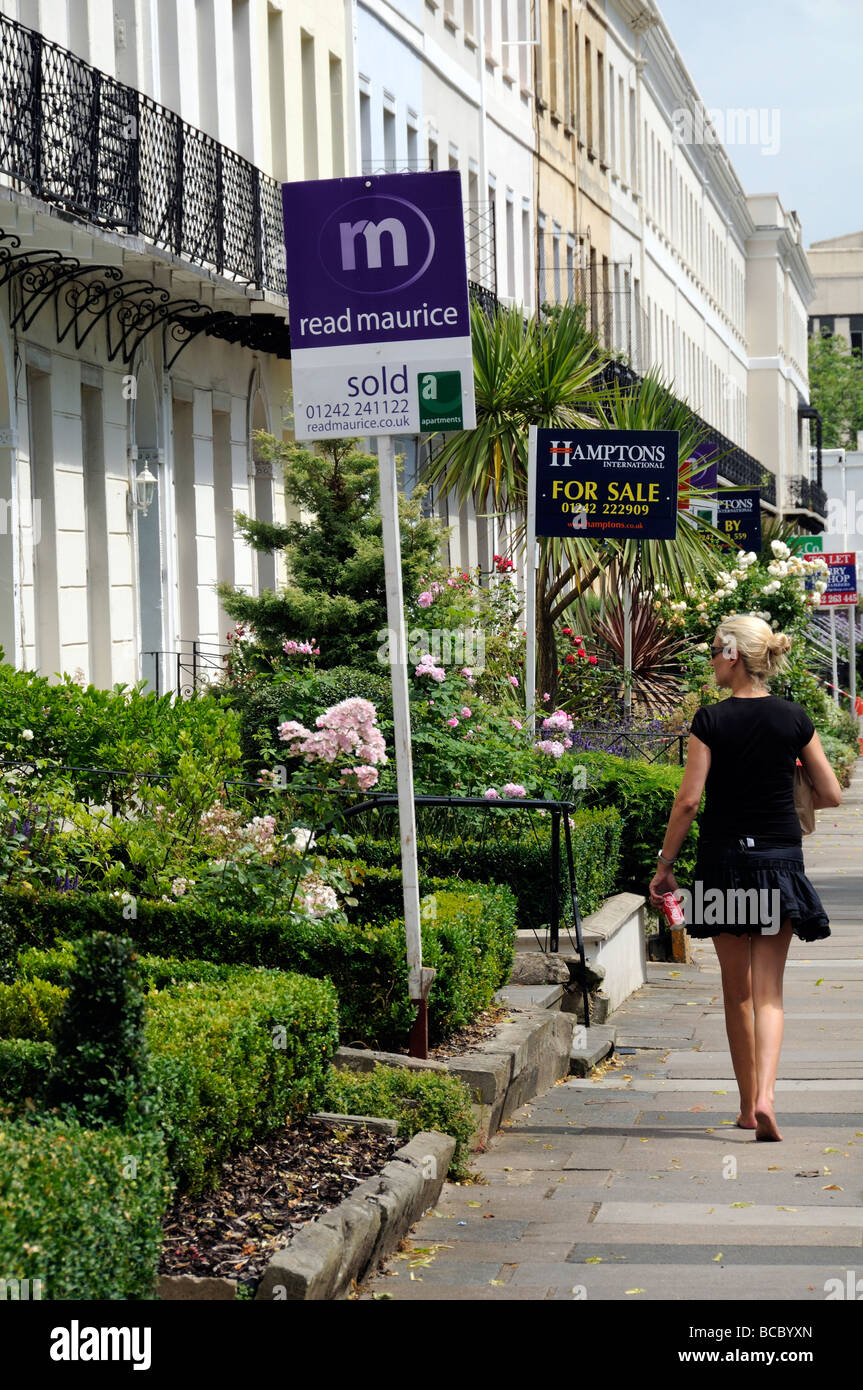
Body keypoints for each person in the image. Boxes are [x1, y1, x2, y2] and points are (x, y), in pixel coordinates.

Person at [648, 616, 842, 1142]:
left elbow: (688, 802)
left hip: (725, 865)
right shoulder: (793, 718)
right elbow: (830, 793)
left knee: (737, 994)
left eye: (714, 650)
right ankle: (767, 1099)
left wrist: (665, 865)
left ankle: (745, 1107)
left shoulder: (710, 720)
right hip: (779, 864)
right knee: (769, 994)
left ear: (733, 655)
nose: (711, 659)